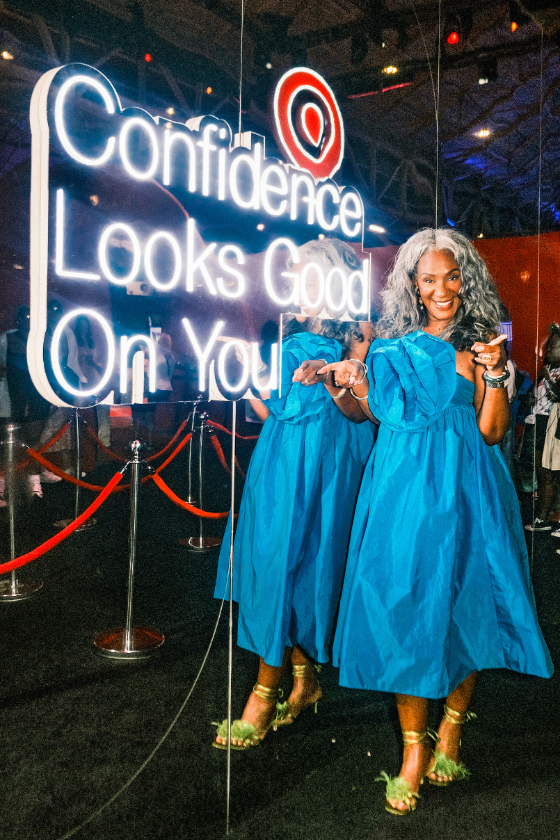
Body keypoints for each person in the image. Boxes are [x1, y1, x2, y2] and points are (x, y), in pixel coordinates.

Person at [320, 229, 553, 815]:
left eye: (452, 277)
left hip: (468, 487)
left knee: (463, 606)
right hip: (401, 488)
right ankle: (413, 752)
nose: (442, 288)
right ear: (413, 287)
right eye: (428, 279)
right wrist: (345, 384)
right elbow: (371, 415)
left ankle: (450, 729)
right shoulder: (393, 347)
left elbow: (494, 431)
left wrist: (497, 375)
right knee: (403, 607)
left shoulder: (482, 346)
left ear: (465, 279)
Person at [213, 238, 376, 750]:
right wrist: (251, 389)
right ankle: (304, 683)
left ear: (334, 277)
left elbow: (363, 407)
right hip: (282, 459)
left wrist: (332, 380)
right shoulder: (291, 330)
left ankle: (265, 693)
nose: (298, 285)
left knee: (308, 563)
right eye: (296, 276)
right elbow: (275, 409)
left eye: (308, 274)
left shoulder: (359, 333)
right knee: (275, 562)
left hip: (329, 463)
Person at [523, 325, 560, 530]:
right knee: (540, 471)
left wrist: (546, 376)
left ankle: (544, 517)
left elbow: (557, 396)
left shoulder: (553, 372)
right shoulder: (548, 369)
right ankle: (544, 515)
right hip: (538, 422)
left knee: (548, 473)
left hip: (551, 424)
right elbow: (533, 396)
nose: (548, 351)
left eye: (553, 346)